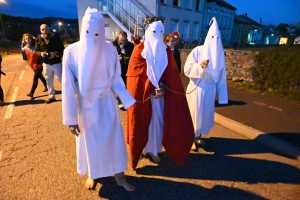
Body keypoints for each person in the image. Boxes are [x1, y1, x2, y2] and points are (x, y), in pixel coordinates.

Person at [62, 7, 136, 192]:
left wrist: (128, 100)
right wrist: (71, 120)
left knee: (114, 141)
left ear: (102, 31)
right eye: (89, 33)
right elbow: (68, 87)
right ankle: (93, 174)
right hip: (86, 107)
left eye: (98, 33)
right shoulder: (71, 51)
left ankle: (120, 177)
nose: (94, 38)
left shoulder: (110, 49)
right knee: (90, 143)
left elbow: (116, 78)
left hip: (107, 103)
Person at [126, 17, 194, 170]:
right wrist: (149, 91)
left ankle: (153, 150)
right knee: (143, 124)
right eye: (154, 31)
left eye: (161, 32)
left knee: (157, 124)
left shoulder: (166, 50)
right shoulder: (139, 50)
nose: (158, 35)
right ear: (147, 32)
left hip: (160, 97)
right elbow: (134, 77)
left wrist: (163, 88)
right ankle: (142, 149)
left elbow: (171, 75)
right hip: (144, 98)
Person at [184, 17, 228, 149]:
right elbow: (187, 69)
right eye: (213, 38)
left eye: (218, 39)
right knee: (194, 114)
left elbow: (222, 77)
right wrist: (200, 66)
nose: (215, 42)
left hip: (210, 90)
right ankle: (189, 139)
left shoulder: (219, 55)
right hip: (197, 88)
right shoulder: (197, 51)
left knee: (204, 116)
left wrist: (222, 97)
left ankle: (198, 137)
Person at [35, 24, 64, 104]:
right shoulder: (39, 39)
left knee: (61, 79)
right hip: (46, 64)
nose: (45, 31)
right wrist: (40, 53)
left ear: (49, 29)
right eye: (43, 30)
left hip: (56, 63)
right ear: (40, 30)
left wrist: (55, 53)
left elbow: (62, 49)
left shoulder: (55, 38)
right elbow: (36, 51)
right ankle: (52, 97)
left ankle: (67, 95)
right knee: (48, 80)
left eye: (46, 29)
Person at [21, 34, 48, 99]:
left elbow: (45, 52)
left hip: (39, 64)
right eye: (26, 39)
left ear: (31, 39)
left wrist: (46, 55)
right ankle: (46, 86)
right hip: (32, 65)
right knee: (40, 76)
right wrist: (22, 47)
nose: (28, 40)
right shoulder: (25, 48)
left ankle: (31, 93)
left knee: (35, 78)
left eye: (29, 38)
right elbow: (25, 58)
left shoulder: (36, 46)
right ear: (24, 40)